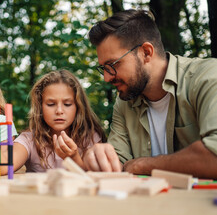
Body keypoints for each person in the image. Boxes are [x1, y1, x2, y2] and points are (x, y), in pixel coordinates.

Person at [84, 9, 217, 178]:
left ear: (146, 52)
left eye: (113, 65)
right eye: (103, 68)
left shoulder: (207, 78)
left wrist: (142, 165)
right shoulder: (125, 102)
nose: (106, 77)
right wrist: (99, 159)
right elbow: (118, 165)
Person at [0, 69, 106, 173]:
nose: (59, 110)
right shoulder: (29, 140)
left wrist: (73, 157)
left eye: (67, 104)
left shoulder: (91, 138)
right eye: (51, 104)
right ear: (40, 107)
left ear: (78, 107)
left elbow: (96, 178)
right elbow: (2, 167)